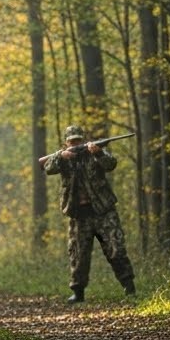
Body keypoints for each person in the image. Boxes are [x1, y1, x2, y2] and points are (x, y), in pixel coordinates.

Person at [41, 125, 136, 303]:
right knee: (78, 254)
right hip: (78, 214)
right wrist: (60, 156)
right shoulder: (62, 158)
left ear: (84, 140)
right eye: (72, 141)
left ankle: (129, 287)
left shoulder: (95, 153)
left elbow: (111, 164)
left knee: (116, 248)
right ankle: (78, 292)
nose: (76, 143)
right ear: (66, 143)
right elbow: (47, 168)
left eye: (79, 140)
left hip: (103, 211)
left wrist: (98, 153)